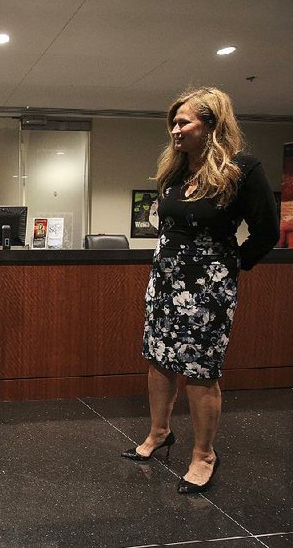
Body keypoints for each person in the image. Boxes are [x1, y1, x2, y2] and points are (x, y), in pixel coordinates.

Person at [121, 88, 279, 493]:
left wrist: (232, 265)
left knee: (199, 370)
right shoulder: (176, 172)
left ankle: (204, 455)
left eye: (183, 122)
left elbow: (266, 232)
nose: (175, 130)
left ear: (211, 125)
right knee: (158, 360)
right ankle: (159, 433)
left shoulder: (242, 168)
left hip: (208, 288)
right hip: (164, 282)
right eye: (173, 122)